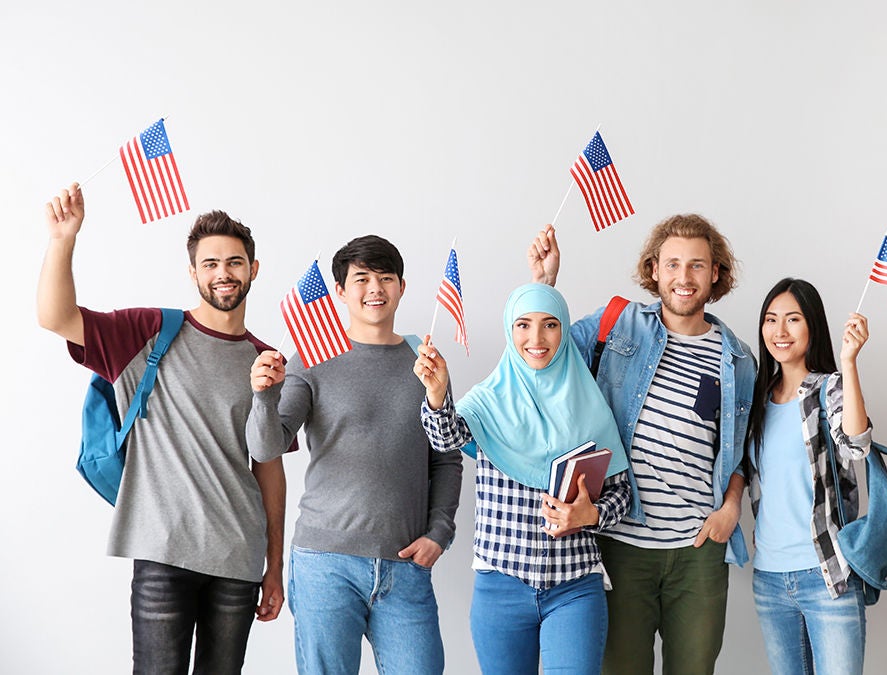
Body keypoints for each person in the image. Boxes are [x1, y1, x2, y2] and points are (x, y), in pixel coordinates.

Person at [36, 183, 287, 673]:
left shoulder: (266, 361)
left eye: (234, 262)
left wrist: (274, 566)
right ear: (193, 272)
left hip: (237, 560)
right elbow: (55, 317)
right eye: (210, 264)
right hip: (161, 554)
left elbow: (269, 470)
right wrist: (62, 239)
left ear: (253, 270)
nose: (223, 274)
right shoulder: (147, 331)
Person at [528, 216, 756, 675]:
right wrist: (545, 284)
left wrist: (731, 509)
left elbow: (742, 450)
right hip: (621, 544)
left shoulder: (737, 358)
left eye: (696, 265)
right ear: (654, 270)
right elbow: (545, 358)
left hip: (698, 553)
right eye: (672, 264)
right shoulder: (619, 324)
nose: (683, 277)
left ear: (715, 274)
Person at [246, 235, 463, 674]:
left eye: (386, 278)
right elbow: (266, 447)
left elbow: (446, 457)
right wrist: (264, 397)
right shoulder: (311, 356)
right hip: (325, 564)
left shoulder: (425, 363)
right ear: (340, 291)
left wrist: (440, 532)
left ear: (402, 286)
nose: (375, 289)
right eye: (362, 278)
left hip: (405, 566)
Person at [414, 283, 632, 675]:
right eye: (523, 325)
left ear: (564, 331)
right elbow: (445, 437)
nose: (536, 338)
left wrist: (590, 515)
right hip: (501, 588)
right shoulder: (487, 401)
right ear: (509, 331)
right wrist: (437, 392)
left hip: (575, 585)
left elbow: (622, 494)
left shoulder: (591, 404)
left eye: (550, 325)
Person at [743, 278, 872, 675]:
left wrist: (849, 364)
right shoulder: (757, 399)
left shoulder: (829, 388)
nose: (779, 332)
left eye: (793, 319)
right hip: (769, 580)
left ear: (812, 326)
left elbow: (856, 445)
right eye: (771, 320)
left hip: (826, 575)